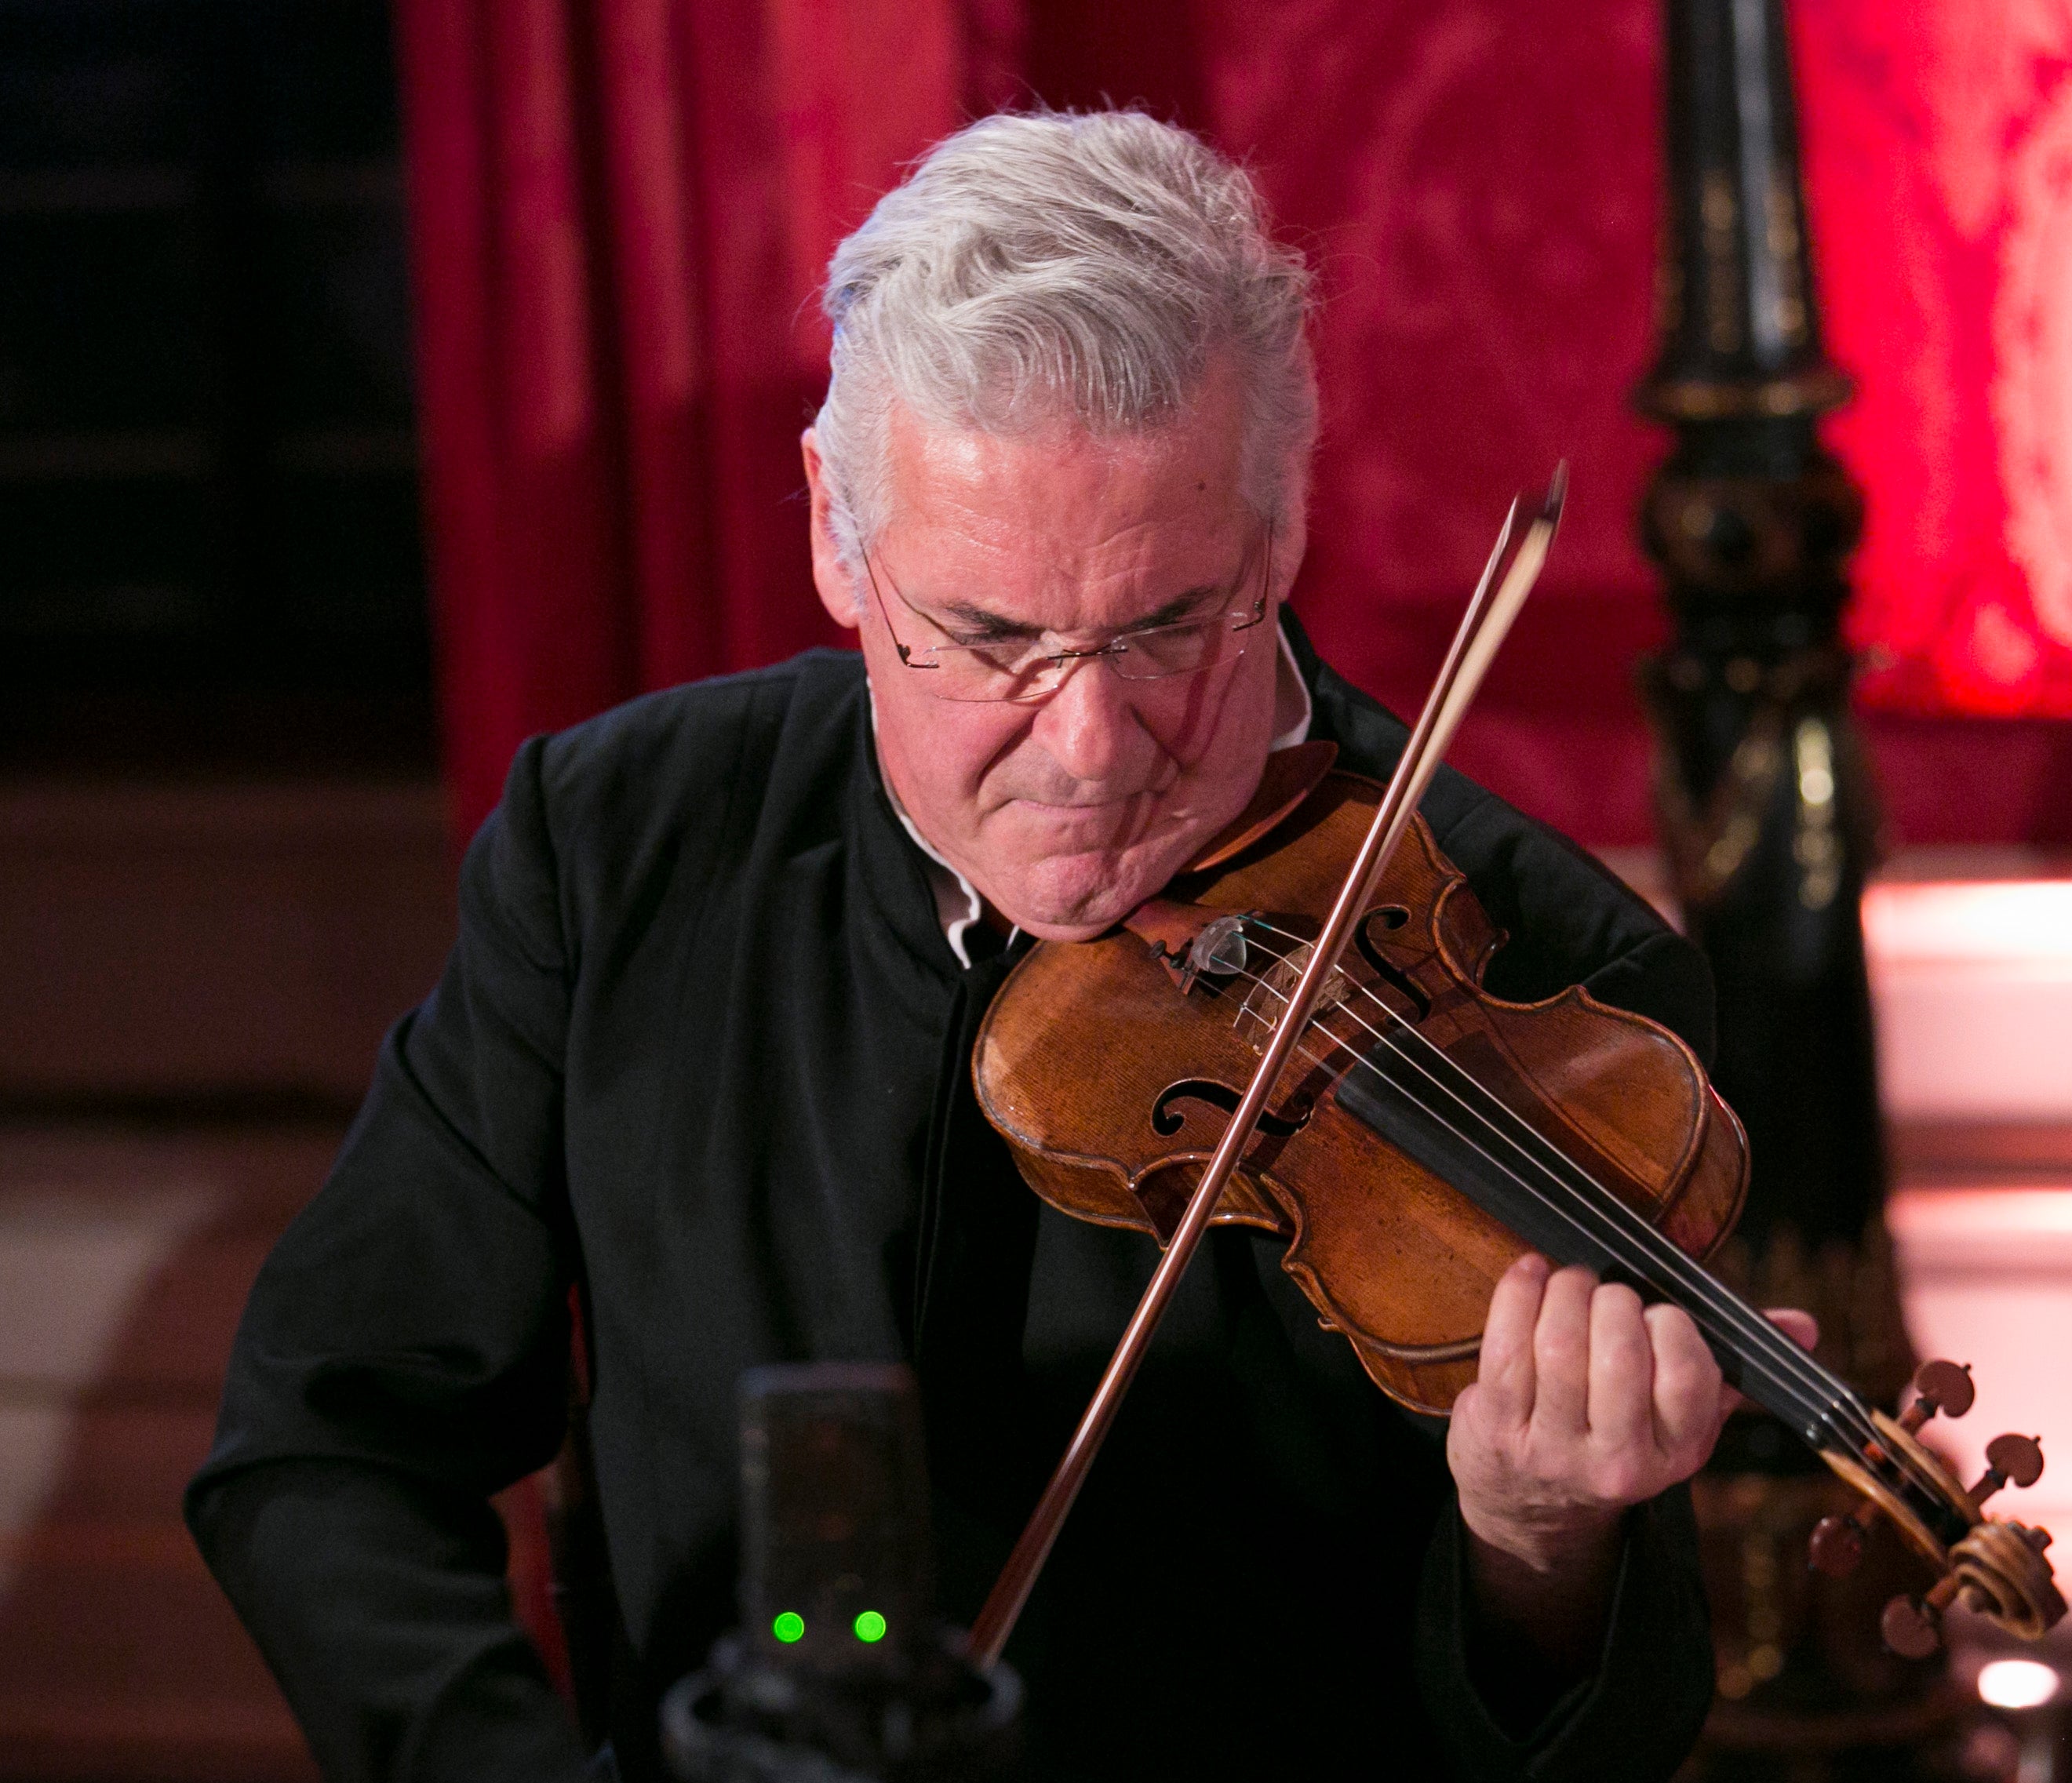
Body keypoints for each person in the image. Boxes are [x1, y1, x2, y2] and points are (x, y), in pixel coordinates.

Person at [188, 110, 1809, 1783]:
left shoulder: (1557, 985)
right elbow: (327, 1446)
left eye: (1172, 623)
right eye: (987, 639)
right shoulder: (620, 846)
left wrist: (1539, 1544)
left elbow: (1583, 1735)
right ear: (837, 533)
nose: (1091, 745)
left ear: (1280, 534)